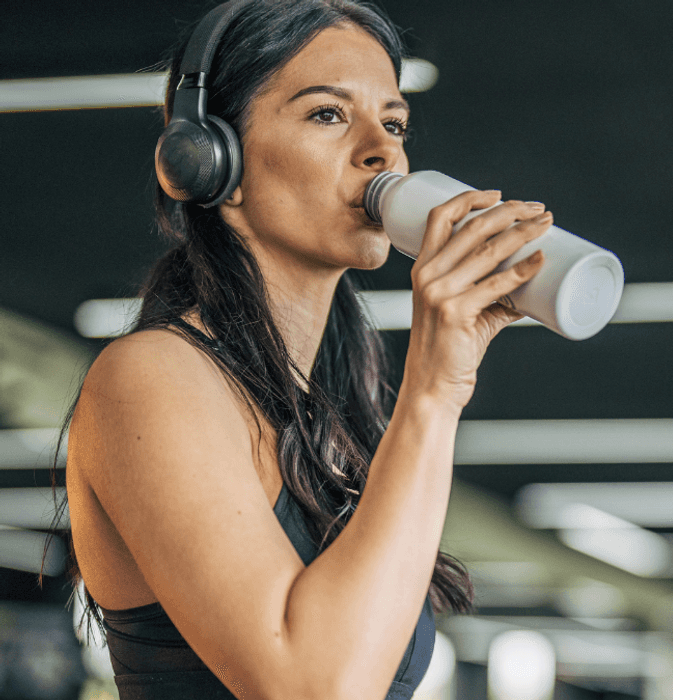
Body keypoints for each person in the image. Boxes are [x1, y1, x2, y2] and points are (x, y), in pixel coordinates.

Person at [47, 1, 549, 697]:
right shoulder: (150, 377)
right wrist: (435, 390)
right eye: (328, 114)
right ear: (210, 161)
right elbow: (313, 687)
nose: (384, 150)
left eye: (395, 122)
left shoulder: (330, 427)